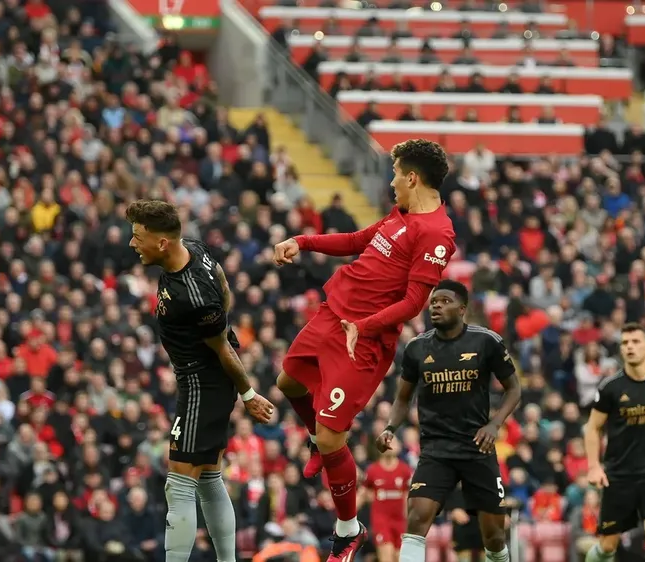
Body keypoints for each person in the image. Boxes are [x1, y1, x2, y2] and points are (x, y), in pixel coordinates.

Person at [272, 139, 457, 561]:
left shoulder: (437, 233)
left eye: (395, 174)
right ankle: (320, 444)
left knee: (331, 433)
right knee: (287, 381)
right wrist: (303, 241)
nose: (391, 183)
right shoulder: (402, 215)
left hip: (363, 341)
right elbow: (358, 240)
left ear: (412, 177)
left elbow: (413, 304)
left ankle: (348, 531)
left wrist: (364, 325)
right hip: (333, 314)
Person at [125, 199, 275, 562]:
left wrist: (249, 395)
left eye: (138, 236)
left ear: (162, 242)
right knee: (208, 476)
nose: (133, 244)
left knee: (178, 482)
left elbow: (223, 348)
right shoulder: (192, 248)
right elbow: (223, 285)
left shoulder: (192, 295)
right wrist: (220, 314)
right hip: (201, 381)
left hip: (201, 384)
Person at [378, 280, 522, 562]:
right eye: (433, 302)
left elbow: (514, 389)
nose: (436, 306)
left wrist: (494, 424)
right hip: (436, 450)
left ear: (462, 308)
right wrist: (390, 427)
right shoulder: (417, 348)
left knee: (493, 535)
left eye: (445, 301)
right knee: (417, 518)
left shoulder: (486, 341)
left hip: (477, 448)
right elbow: (403, 398)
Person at [583, 323, 645, 562]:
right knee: (608, 545)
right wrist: (594, 466)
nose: (630, 347)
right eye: (625, 343)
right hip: (618, 475)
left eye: (635, 342)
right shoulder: (610, 388)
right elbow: (593, 427)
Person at [363, 438, 413, 562]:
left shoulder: (405, 470)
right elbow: (363, 494)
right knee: (387, 557)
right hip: (381, 521)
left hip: (400, 521)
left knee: (400, 558)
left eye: (393, 442)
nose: (389, 446)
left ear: (399, 446)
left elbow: (409, 497)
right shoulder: (373, 470)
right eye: (386, 443)